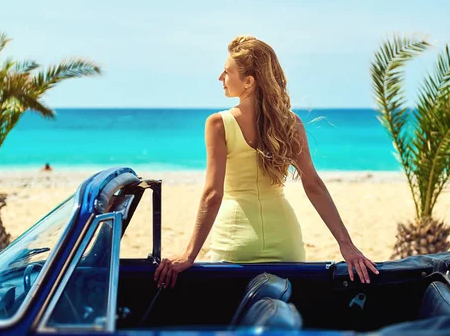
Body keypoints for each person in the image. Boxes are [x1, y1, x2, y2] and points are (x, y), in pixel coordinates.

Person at [154, 35, 379, 288]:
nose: (221, 78)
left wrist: (190, 253)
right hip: (286, 242)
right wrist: (346, 245)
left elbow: (212, 194)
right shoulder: (290, 123)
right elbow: (313, 185)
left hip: (235, 242)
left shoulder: (218, 123)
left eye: (227, 72)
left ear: (248, 81)